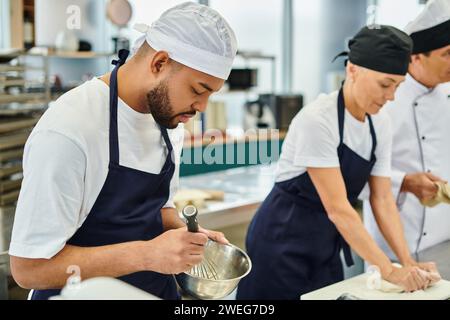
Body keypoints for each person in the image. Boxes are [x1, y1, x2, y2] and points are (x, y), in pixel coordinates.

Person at [9, 2, 237, 300]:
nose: (202, 107)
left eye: (211, 94)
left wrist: (188, 235)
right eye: (198, 90)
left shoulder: (168, 120)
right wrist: (148, 255)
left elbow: (157, 207)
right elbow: (29, 269)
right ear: (159, 63)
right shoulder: (71, 128)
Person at [237, 25, 440, 300]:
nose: (391, 96)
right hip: (281, 241)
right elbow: (339, 209)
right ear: (353, 70)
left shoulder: (379, 123)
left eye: (397, 86)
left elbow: (382, 199)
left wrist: (407, 262)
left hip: (325, 244)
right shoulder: (318, 120)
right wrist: (388, 271)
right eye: (385, 84)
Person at [364, 0, 450, 263]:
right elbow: (354, 172)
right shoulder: (383, 98)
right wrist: (405, 181)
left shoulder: (447, 95)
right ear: (416, 56)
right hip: (395, 239)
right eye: (447, 54)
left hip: (443, 237)